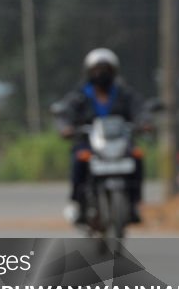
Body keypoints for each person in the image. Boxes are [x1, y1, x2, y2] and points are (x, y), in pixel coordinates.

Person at [57, 47, 144, 224]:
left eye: (105, 70)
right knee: (79, 159)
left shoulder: (123, 94)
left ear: (114, 72)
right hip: (89, 143)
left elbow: (140, 109)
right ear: (89, 72)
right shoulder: (80, 96)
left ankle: (134, 203)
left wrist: (145, 122)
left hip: (119, 143)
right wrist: (66, 127)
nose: (101, 74)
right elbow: (65, 112)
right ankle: (77, 202)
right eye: (97, 70)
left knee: (137, 156)